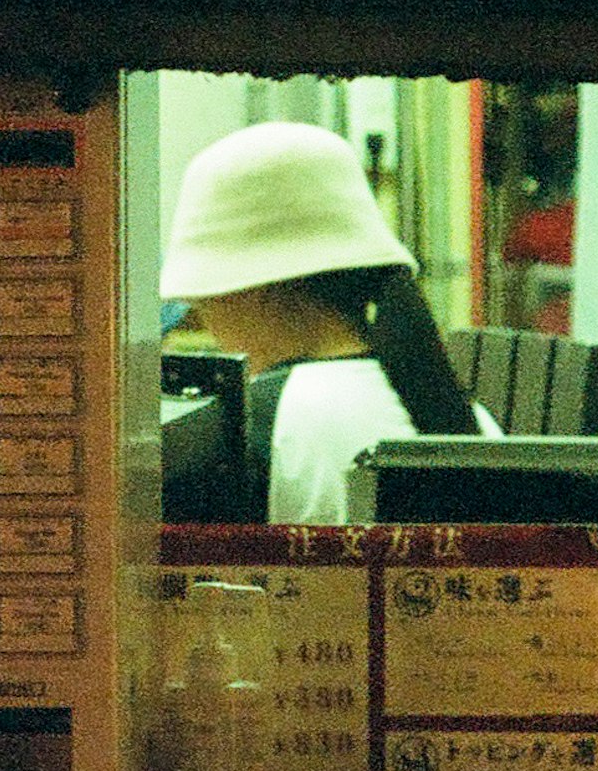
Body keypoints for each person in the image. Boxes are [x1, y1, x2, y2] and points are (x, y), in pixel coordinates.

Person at [160, 121, 494, 522]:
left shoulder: (250, 425)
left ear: (251, 288)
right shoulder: (471, 420)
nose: (205, 320)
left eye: (204, 302)